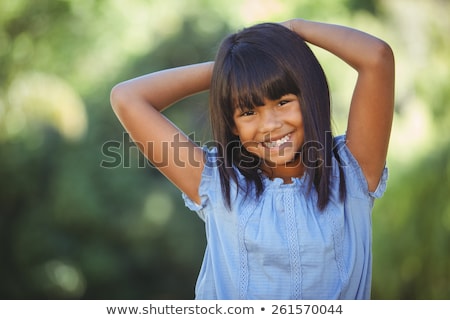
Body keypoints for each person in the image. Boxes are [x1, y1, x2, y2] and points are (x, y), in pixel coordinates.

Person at [110, 18, 395, 300]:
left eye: (283, 102)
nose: (269, 125)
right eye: (248, 112)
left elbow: (377, 57)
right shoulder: (218, 185)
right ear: (232, 125)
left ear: (310, 96)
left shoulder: (352, 173)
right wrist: (232, 70)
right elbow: (127, 97)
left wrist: (295, 28)